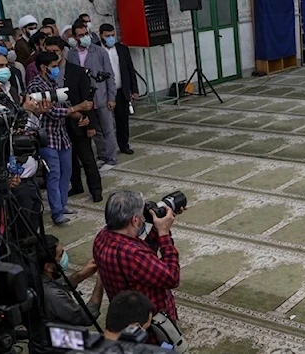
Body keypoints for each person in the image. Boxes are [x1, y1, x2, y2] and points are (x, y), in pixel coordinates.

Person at [93, 191, 181, 324]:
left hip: (125, 316)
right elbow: (172, 278)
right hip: (150, 324)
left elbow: (145, 256)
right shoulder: (133, 255)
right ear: (135, 220)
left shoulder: (101, 237)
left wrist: (158, 228)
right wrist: (164, 234)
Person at [27, 51, 93, 225]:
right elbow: (52, 112)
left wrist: (80, 116)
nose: (56, 69)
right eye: (54, 66)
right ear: (43, 67)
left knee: (67, 172)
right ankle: (56, 212)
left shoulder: (54, 83)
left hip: (62, 136)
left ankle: (62, 205)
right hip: (47, 137)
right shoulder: (35, 87)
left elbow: (66, 105)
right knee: (54, 174)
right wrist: (77, 108)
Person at [44, 36, 103, 203]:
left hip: (78, 120)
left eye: (55, 51)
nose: (53, 55)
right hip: (58, 123)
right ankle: (76, 185)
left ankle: (96, 189)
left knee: (87, 157)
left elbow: (87, 99)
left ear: (62, 51)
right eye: (49, 52)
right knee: (68, 159)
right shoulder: (46, 74)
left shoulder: (77, 71)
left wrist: (89, 122)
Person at [68, 21, 118, 170]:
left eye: (86, 34)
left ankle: (111, 158)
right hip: (85, 99)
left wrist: (111, 97)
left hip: (101, 96)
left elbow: (110, 75)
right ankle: (102, 155)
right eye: (80, 35)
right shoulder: (71, 54)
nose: (84, 37)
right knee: (94, 129)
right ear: (75, 37)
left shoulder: (99, 51)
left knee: (108, 128)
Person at [38, 234, 104, 326]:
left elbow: (59, 283)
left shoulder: (38, 276)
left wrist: (81, 274)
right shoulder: (52, 295)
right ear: (48, 267)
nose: (64, 256)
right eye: (60, 255)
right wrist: (100, 283)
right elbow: (85, 318)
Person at [99, 24, 138, 155]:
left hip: (121, 90)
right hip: (104, 92)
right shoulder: (97, 51)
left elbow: (130, 70)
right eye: (107, 36)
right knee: (107, 122)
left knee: (123, 120)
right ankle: (108, 149)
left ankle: (124, 145)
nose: (110, 38)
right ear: (101, 36)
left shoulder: (122, 49)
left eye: (112, 35)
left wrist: (134, 89)